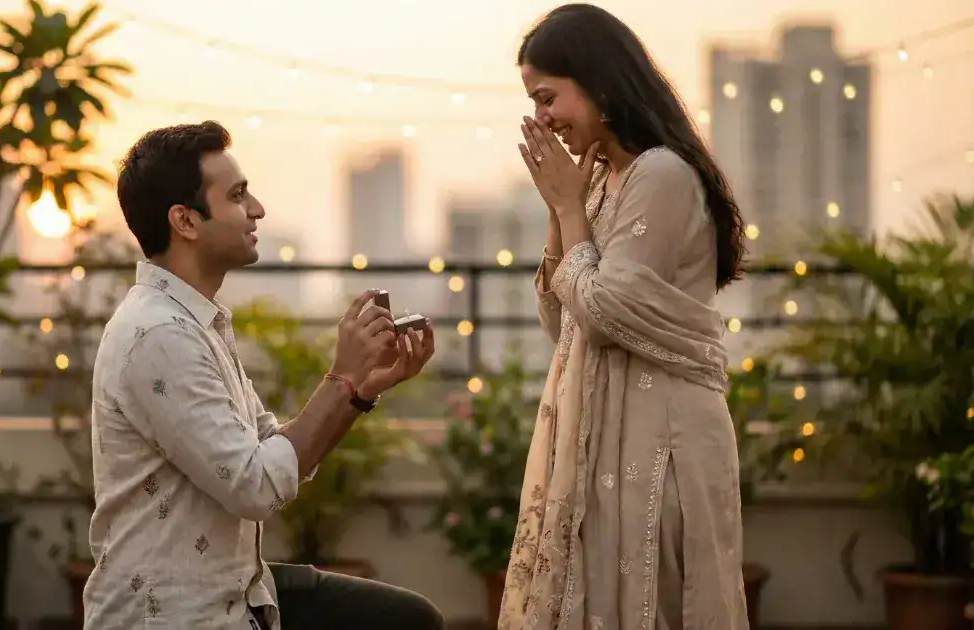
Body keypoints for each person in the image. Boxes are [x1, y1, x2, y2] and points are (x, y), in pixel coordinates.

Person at [84, 121, 445, 630]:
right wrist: (341, 376)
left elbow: (275, 450)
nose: (257, 209)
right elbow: (256, 486)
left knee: (405, 619)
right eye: (237, 195)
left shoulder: (197, 319)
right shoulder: (158, 335)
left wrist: (361, 390)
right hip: (177, 612)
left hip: (239, 591)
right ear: (185, 221)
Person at [502, 5, 750, 630]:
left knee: (661, 605)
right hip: (607, 428)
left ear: (601, 84)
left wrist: (567, 209)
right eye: (534, 103)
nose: (541, 118)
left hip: (662, 435)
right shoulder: (597, 182)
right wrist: (564, 209)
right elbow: (565, 324)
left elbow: (609, 308)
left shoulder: (660, 174)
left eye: (548, 97)